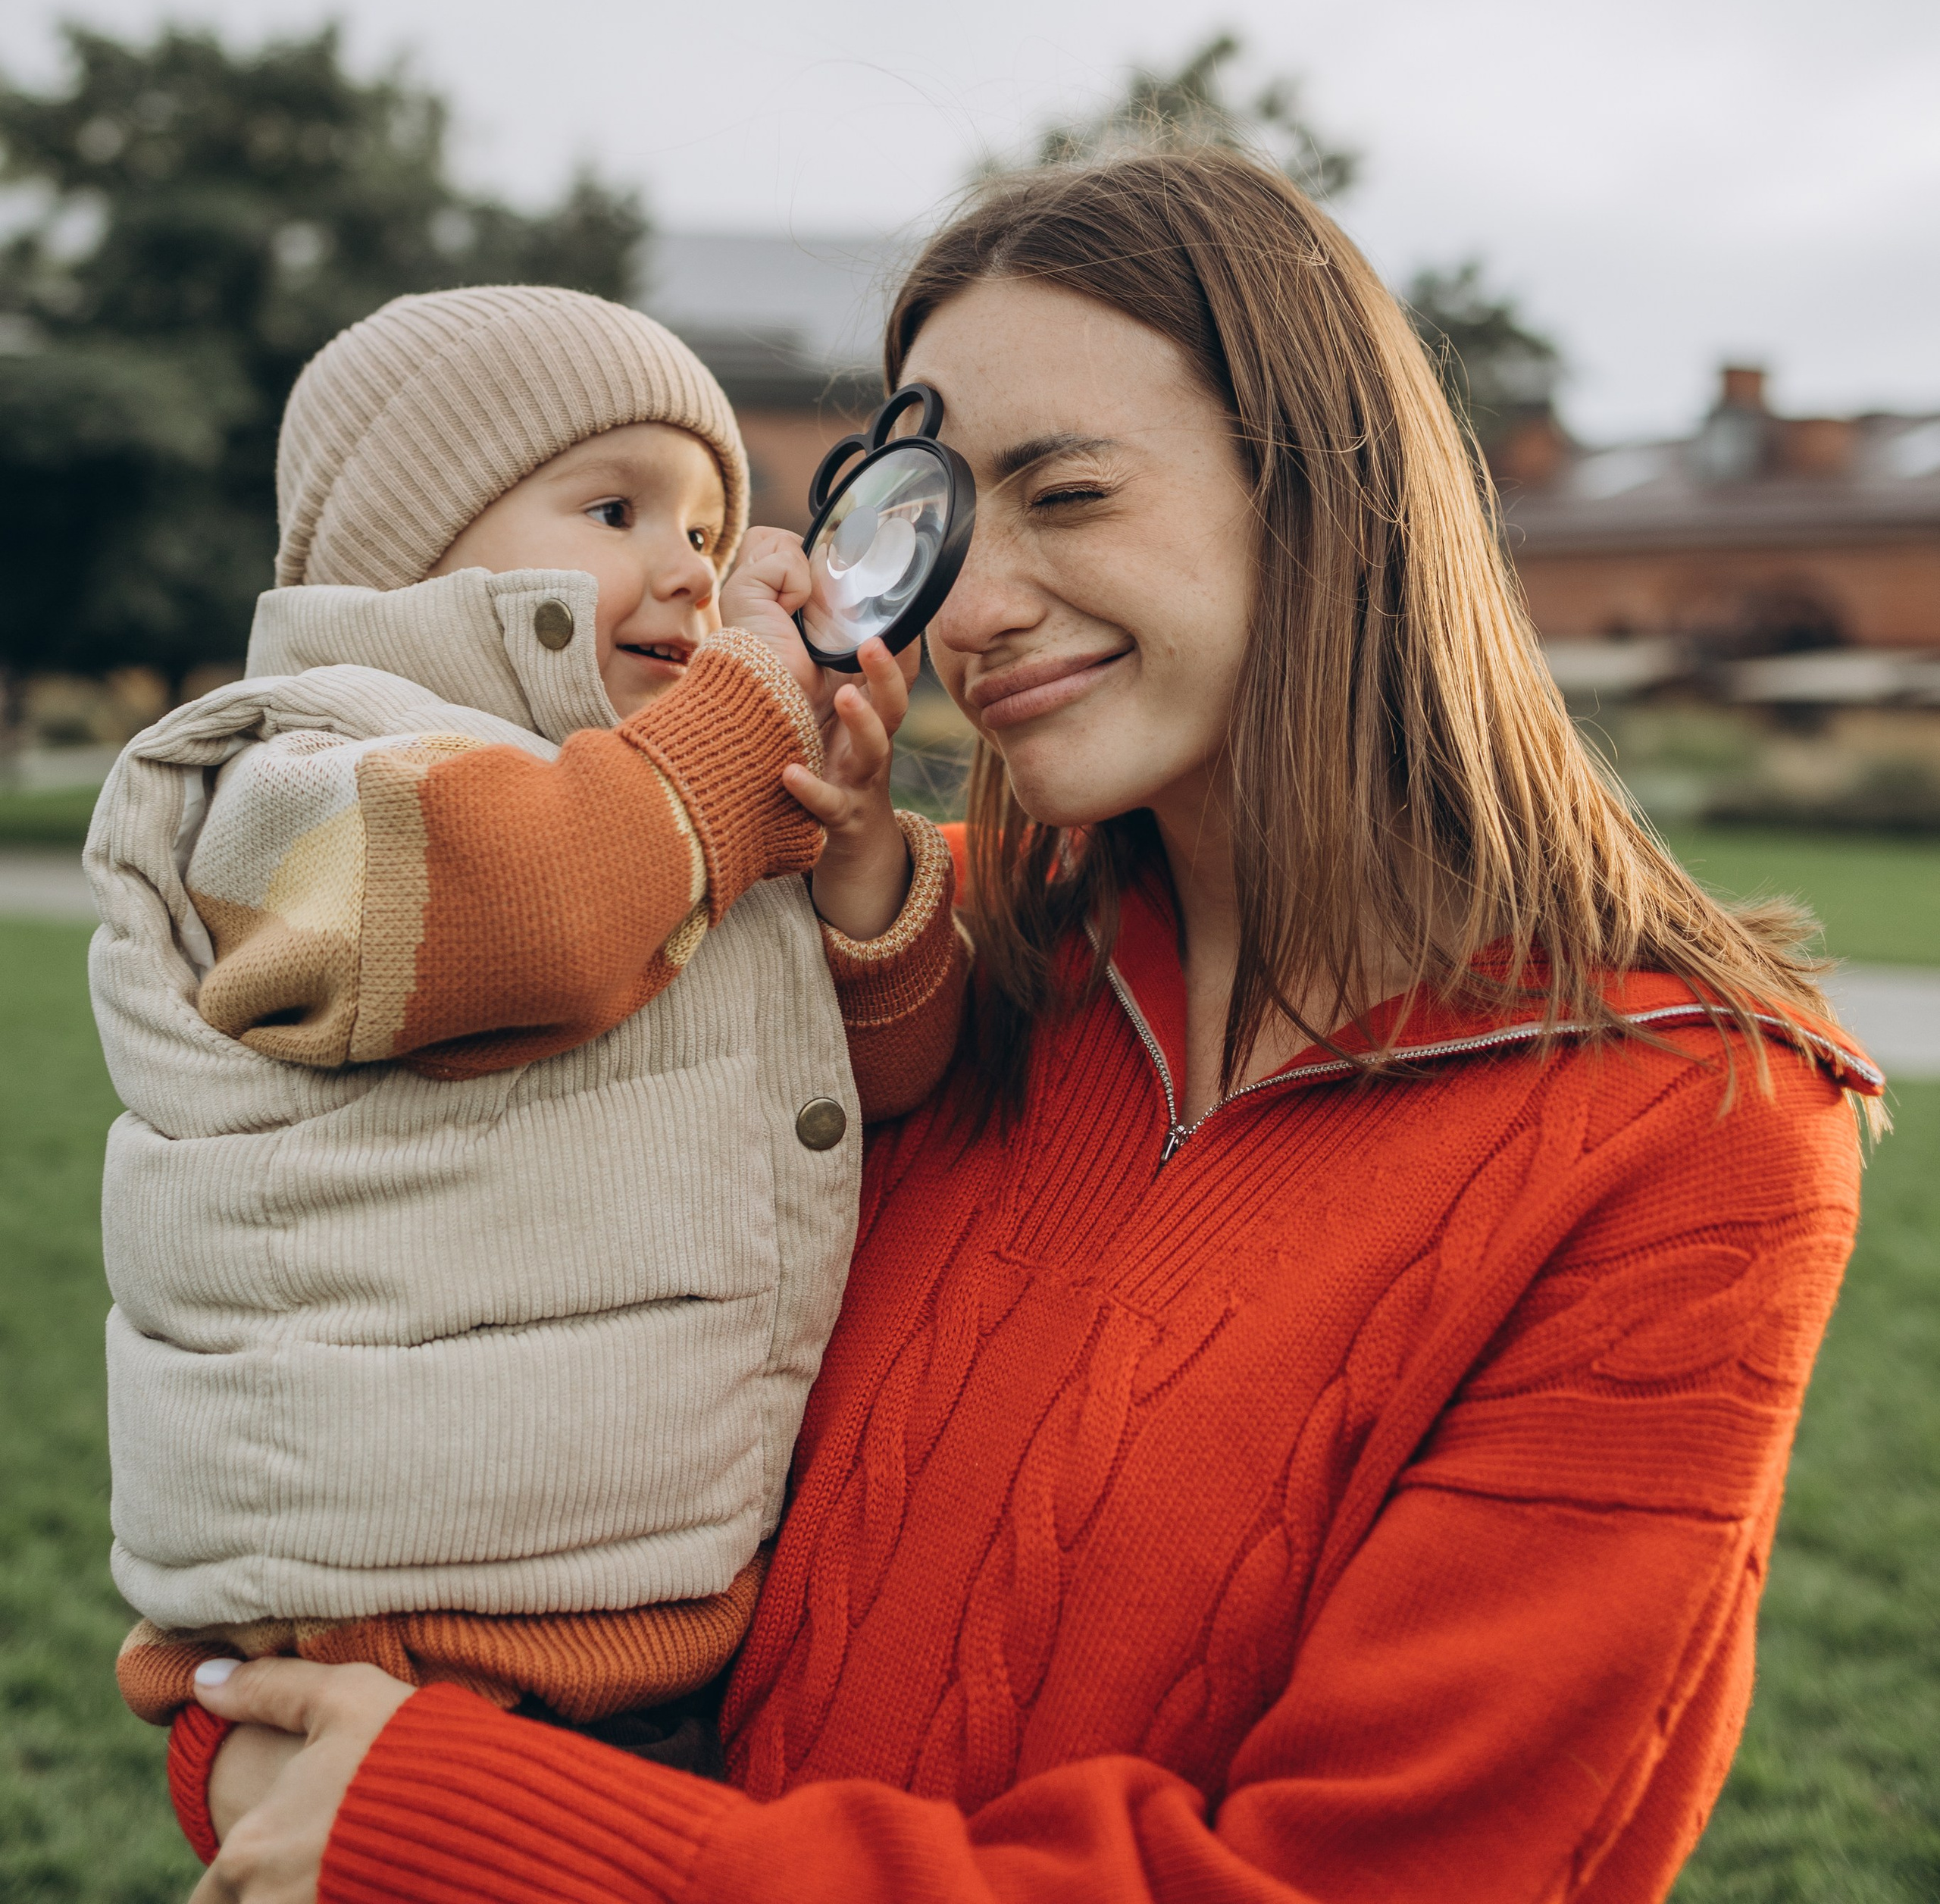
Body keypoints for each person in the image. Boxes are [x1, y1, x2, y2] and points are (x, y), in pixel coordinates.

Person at [184, 156, 1882, 1904]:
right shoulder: (881, 943)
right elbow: (354, 1309)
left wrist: (477, 1837)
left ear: (1331, 501)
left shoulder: (1694, 1129)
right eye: (930, 514)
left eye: (1064, 495)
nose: (969, 611)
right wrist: (278, 1725)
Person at [86, 286, 962, 1862]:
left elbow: (867, 1103)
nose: (687, 567)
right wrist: (742, 713)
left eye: (708, 527)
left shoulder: (665, 820)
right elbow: (527, 915)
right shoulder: (294, 772)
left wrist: (854, 875)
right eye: (617, 506)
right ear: (400, 547)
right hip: (386, 1636)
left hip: (648, 1629)